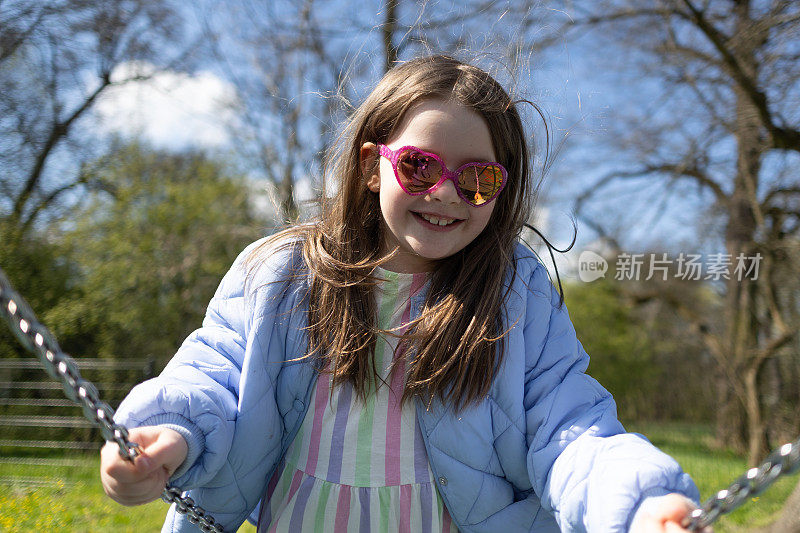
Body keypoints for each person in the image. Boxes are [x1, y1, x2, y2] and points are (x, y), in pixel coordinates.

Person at [100, 55, 707, 532]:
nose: (445, 192)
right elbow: (215, 373)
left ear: (500, 190)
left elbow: (568, 424)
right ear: (371, 165)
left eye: (476, 178)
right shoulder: (282, 273)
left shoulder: (513, 296)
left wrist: (637, 504)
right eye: (419, 166)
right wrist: (170, 435)